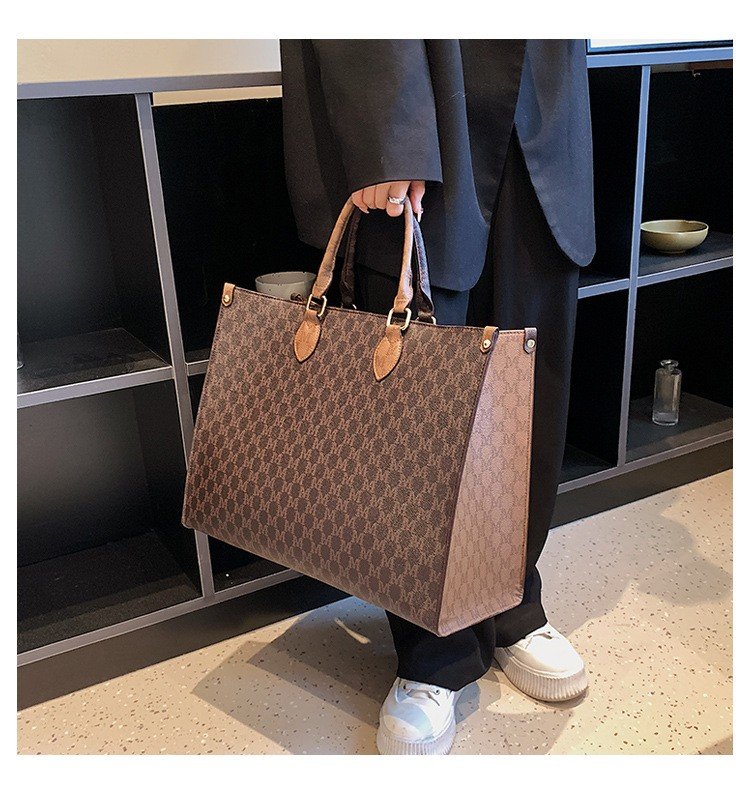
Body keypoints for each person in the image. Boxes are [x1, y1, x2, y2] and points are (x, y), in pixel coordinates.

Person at [280, 39, 596, 755]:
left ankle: (512, 601)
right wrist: (386, 129)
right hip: (427, 91)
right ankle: (432, 653)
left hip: (545, 101)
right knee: (418, 404)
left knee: (528, 387)